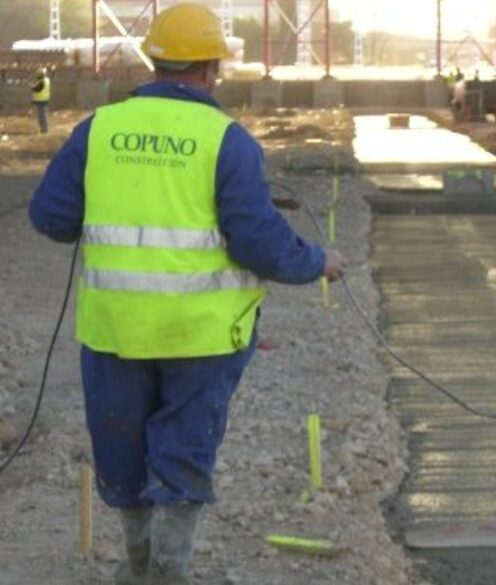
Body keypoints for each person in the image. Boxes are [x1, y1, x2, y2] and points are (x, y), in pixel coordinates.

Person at [28, 4, 345, 584]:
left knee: (121, 445)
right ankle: (169, 572)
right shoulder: (225, 140)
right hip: (201, 335)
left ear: (155, 60)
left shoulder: (97, 131)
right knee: (183, 449)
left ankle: (139, 566)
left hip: (115, 330)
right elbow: (260, 243)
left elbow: (50, 217)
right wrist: (319, 261)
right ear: (211, 69)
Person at [29, 67, 51, 134]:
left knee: (42, 116)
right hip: (44, 99)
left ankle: (44, 129)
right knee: (43, 115)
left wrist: (31, 86)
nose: (37, 75)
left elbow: (37, 89)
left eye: (39, 74)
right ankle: (43, 129)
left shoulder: (42, 81)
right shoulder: (46, 80)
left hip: (41, 100)